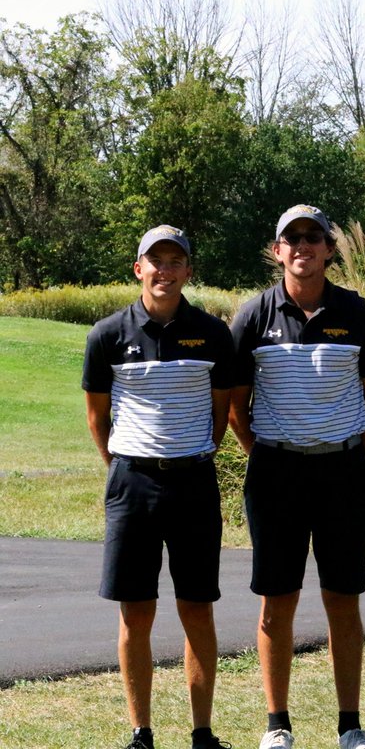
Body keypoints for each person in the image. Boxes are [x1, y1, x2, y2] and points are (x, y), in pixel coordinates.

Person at [228, 204, 365, 749]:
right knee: (278, 601)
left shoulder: (356, 312)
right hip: (276, 473)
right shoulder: (253, 316)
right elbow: (235, 406)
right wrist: (268, 451)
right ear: (278, 250)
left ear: (328, 249)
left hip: (341, 470)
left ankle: (351, 725)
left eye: (313, 237)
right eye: (291, 238)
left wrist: (348, 449)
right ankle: (277, 723)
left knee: (343, 599)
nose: (303, 246)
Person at [83, 225, 235, 749]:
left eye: (175, 261)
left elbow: (221, 416)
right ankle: (141, 731)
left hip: (194, 481)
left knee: (197, 607)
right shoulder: (107, 334)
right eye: (156, 261)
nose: (165, 270)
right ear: (138, 267)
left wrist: (191, 453)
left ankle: (202, 732)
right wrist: (125, 464)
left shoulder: (214, 334)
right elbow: (97, 419)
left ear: (188, 270)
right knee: (136, 610)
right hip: (133, 484)